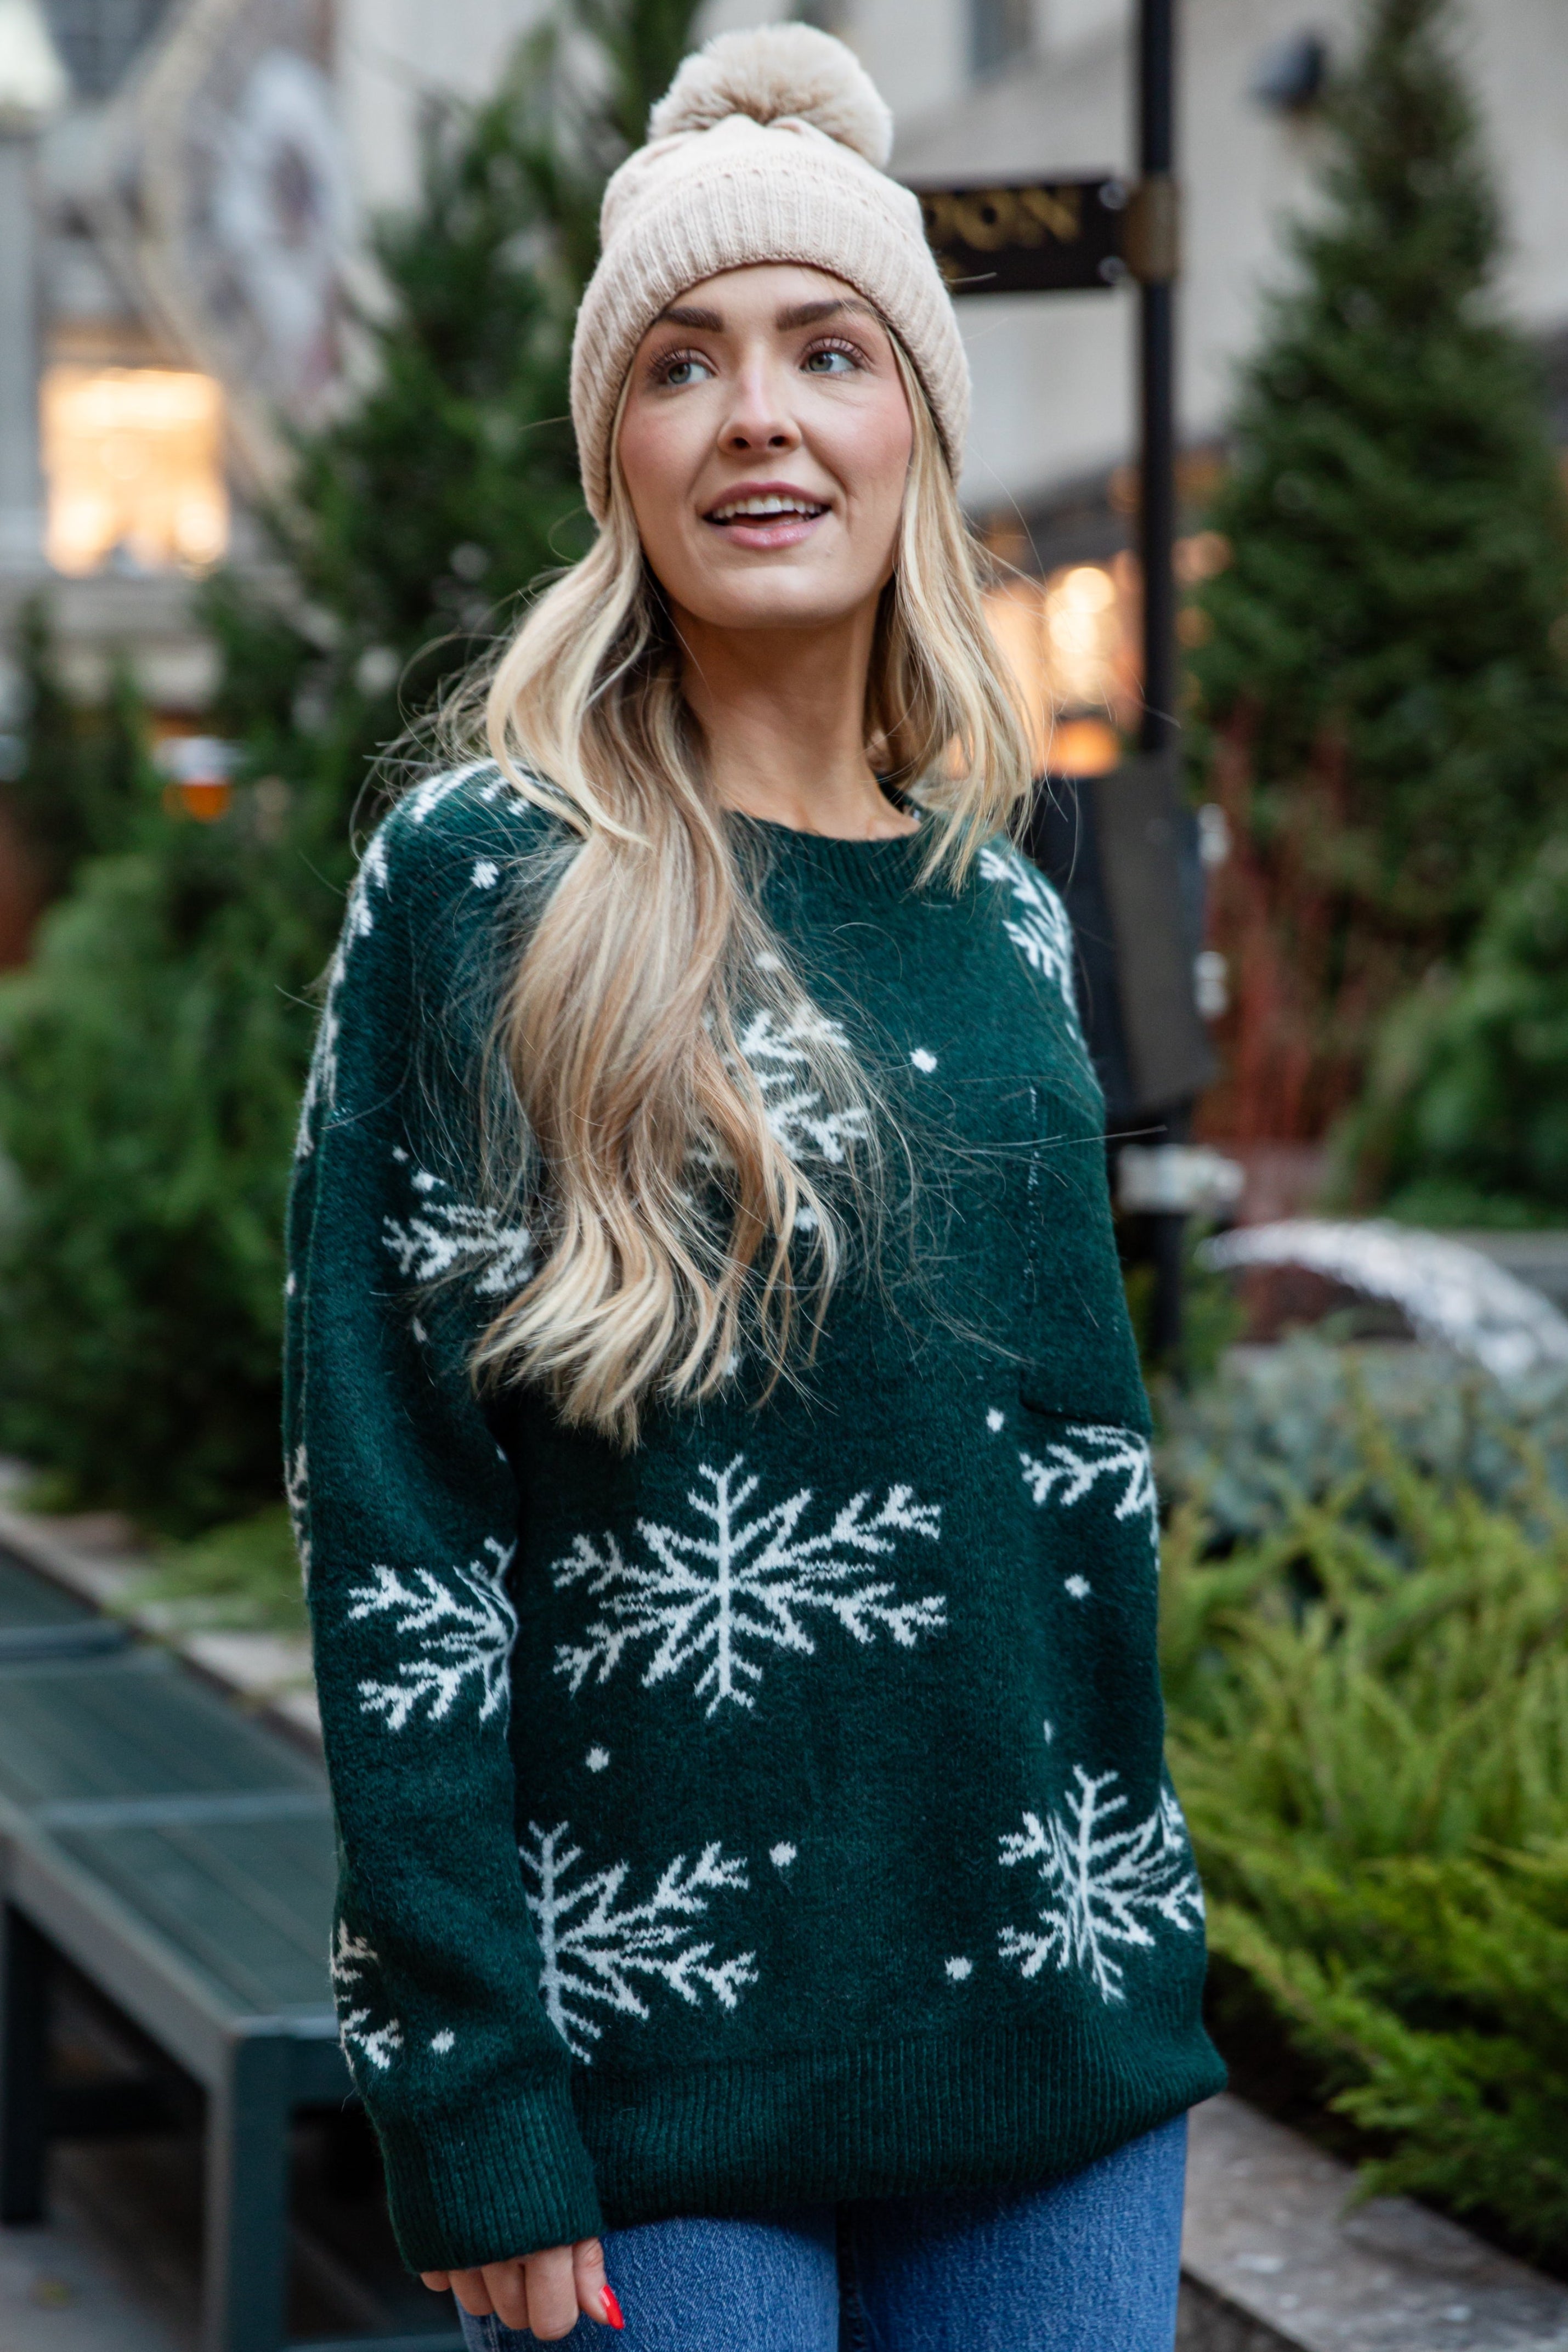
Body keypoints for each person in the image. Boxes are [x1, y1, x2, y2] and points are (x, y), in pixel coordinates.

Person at [285, 25, 1224, 2350]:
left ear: (916, 426)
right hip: (655, 2072)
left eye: (829, 350)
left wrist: (1142, 1938)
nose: (757, 419)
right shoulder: (484, 879)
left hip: (1056, 2038)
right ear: (618, 453)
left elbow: (1067, 1477)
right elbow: (394, 1515)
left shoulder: (1002, 905)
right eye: (681, 365)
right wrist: (463, 2086)